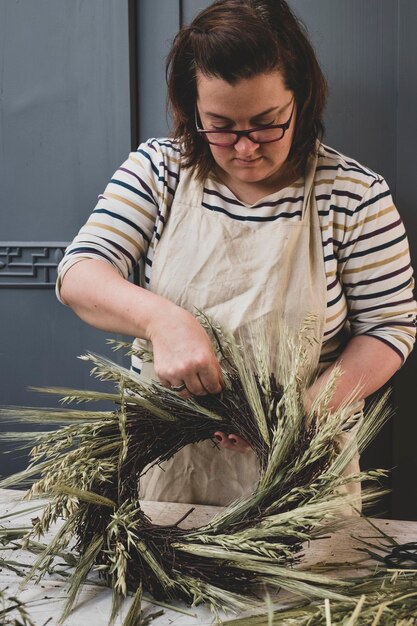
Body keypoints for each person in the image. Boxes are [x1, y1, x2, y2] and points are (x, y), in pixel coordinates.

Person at [56, 0, 416, 507]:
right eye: (220, 126)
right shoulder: (159, 172)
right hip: (170, 474)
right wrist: (164, 321)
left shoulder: (355, 195)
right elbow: (80, 274)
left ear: (302, 100)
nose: (246, 148)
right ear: (192, 109)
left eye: (268, 123)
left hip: (303, 471)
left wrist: (300, 416)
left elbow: (390, 327)